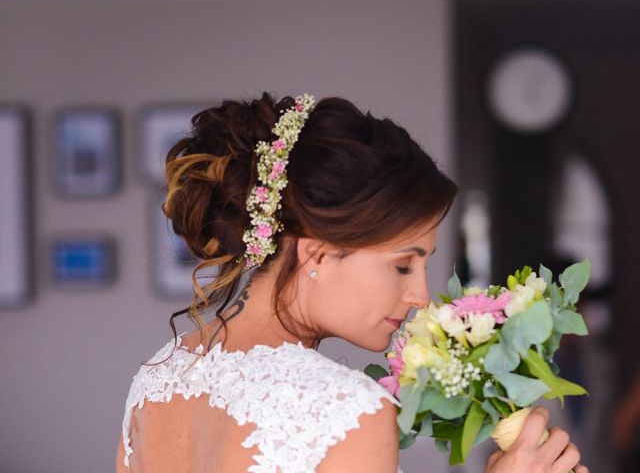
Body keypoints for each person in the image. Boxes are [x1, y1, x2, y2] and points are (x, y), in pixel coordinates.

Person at [115, 92, 588, 472]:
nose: (421, 297)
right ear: (316, 252)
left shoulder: (158, 379)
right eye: (404, 265)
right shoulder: (345, 410)